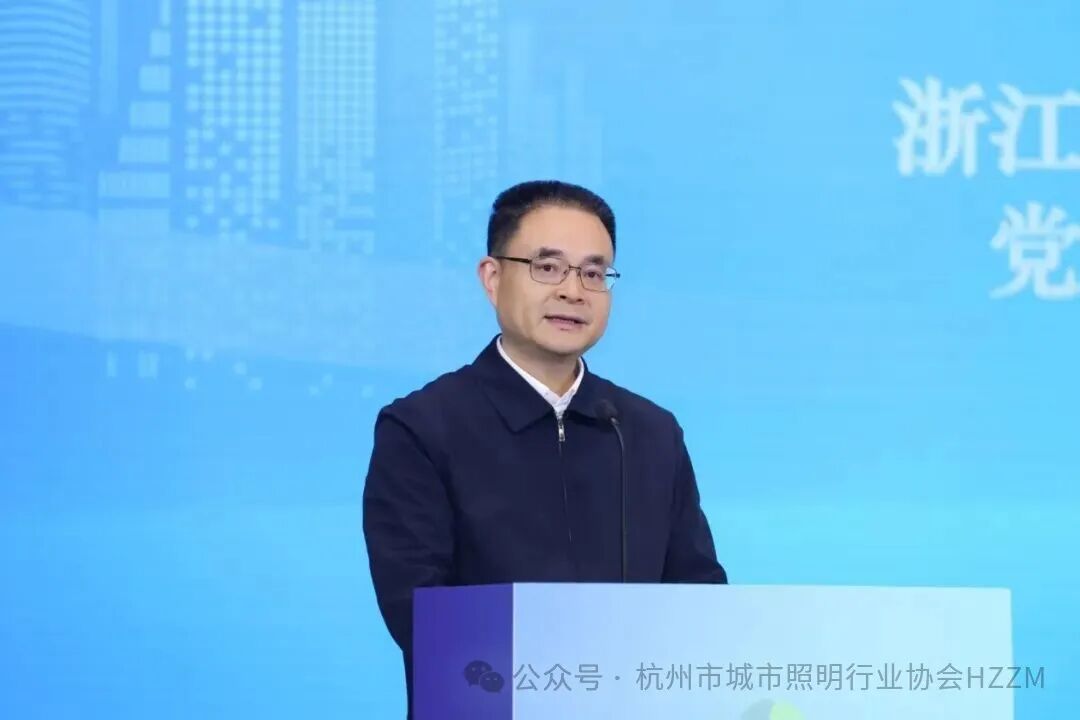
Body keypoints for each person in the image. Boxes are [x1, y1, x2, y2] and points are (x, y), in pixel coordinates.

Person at [362, 179, 727, 717]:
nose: (573, 291)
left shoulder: (649, 431)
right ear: (492, 278)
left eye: (594, 273)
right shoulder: (422, 428)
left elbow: (699, 596)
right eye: (548, 266)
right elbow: (421, 614)